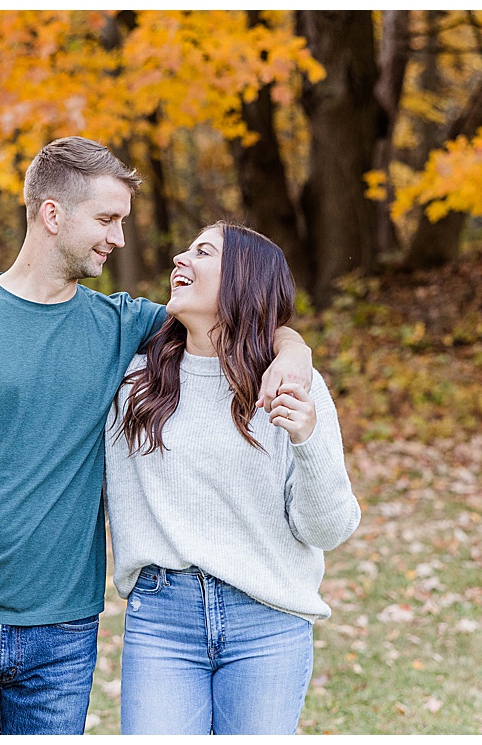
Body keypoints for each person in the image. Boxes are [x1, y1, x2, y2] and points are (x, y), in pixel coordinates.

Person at [0, 138, 313, 735]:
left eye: (123, 221)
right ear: (52, 214)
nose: (119, 238)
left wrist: (294, 350)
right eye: (107, 219)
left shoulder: (120, 325)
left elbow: (237, 314)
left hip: (63, 633)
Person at [105, 222, 360, 735]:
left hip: (266, 620)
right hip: (162, 621)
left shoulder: (293, 387)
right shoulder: (131, 381)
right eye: (185, 248)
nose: (179, 257)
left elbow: (328, 530)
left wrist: (308, 440)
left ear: (244, 279)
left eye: (202, 252)